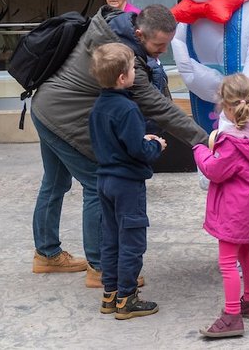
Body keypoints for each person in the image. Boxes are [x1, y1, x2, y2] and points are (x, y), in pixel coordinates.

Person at [30, 3, 207, 286]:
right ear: (139, 33)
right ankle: (101, 269)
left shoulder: (115, 28)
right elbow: (155, 104)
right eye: (159, 45)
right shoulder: (124, 59)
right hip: (64, 117)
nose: (162, 52)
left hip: (45, 106)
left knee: (53, 183)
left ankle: (46, 254)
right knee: (95, 183)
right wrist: (204, 138)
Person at [193, 73, 249, 339]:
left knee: (228, 263)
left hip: (233, 211)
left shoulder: (230, 143)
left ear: (225, 107)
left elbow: (214, 171)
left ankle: (232, 316)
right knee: (246, 256)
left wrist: (200, 150)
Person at [88, 42, 165, 320]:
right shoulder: (129, 109)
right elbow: (138, 150)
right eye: (133, 68)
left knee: (111, 238)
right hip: (127, 184)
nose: (136, 71)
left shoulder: (98, 107)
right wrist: (155, 145)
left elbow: (112, 141)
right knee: (132, 239)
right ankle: (127, 298)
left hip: (104, 180)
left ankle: (109, 294)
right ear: (123, 78)